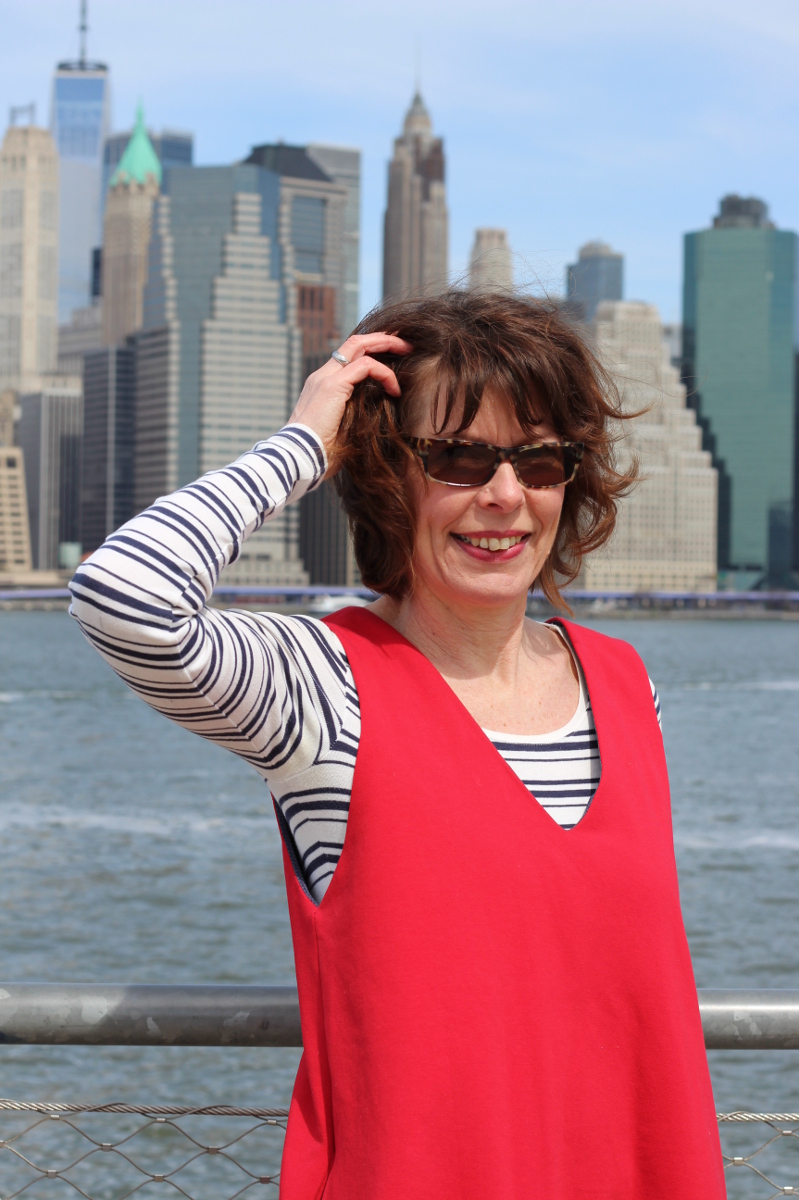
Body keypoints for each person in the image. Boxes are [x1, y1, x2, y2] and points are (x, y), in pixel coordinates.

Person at [70, 290, 725, 1199]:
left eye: (539, 459)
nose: (505, 496)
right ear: (384, 471)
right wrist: (304, 443)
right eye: (458, 457)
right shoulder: (324, 689)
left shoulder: (626, 686)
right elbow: (123, 598)